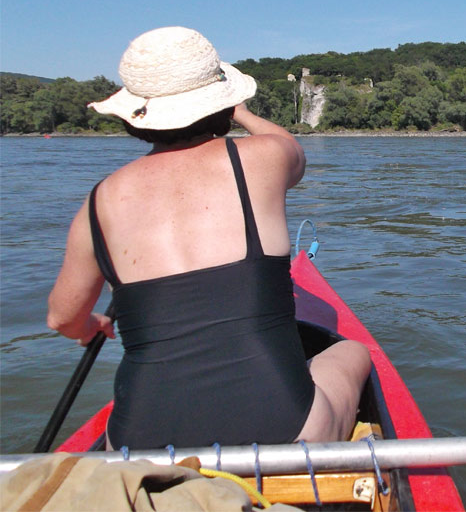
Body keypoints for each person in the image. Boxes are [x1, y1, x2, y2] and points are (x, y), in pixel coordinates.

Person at [47, 26, 372, 449]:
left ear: (135, 115)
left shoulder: (96, 204)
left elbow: (62, 318)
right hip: (284, 428)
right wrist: (237, 111)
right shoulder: (265, 158)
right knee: (354, 354)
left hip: (139, 442)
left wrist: (92, 323)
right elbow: (292, 148)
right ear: (220, 103)